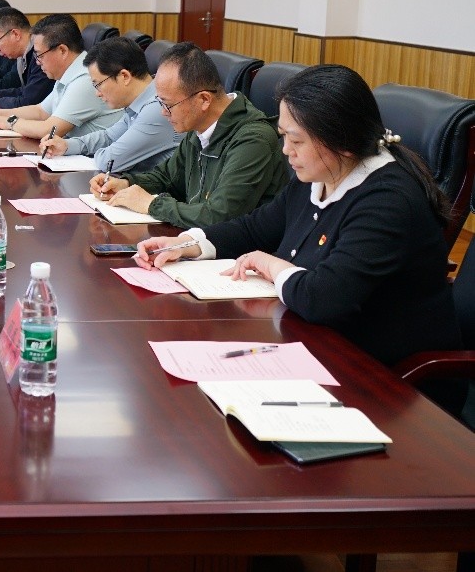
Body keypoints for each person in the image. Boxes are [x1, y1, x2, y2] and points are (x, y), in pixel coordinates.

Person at [134, 65, 462, 383]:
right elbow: (255, 227)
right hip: (317, 345)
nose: (286, 150)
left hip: (386, 380)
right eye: (284, 137)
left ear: (342, 141)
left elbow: (323, 298)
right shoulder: (322, 172)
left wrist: (271, 265)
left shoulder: (387, 200)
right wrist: (186, 244)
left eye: (296, 140)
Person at [91, 41, 287, 228]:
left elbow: (219, 216)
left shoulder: (253, 140)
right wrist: (126, 183)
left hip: (237, 249)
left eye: (168, 104)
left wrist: (151, 204)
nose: (163, 112)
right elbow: (167, 177)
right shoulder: (200, 126)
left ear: (204, 100)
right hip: (196, 239)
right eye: (160, 103)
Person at [38, 37, 179, 173]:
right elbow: (109, 137)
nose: (97, 93)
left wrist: (105, 151)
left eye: (98, 84)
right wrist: (67, 145)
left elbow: (109, 161)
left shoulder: (158, 108)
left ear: (124, 76)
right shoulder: (139, 102)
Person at [0, 14, 122, 139]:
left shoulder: (85, 79)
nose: (37, 62)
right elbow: (41, 112)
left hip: (93, 157)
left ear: (62, 50)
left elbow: (49, 129)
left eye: (39, 55)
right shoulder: (68, 72)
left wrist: (10, 122)